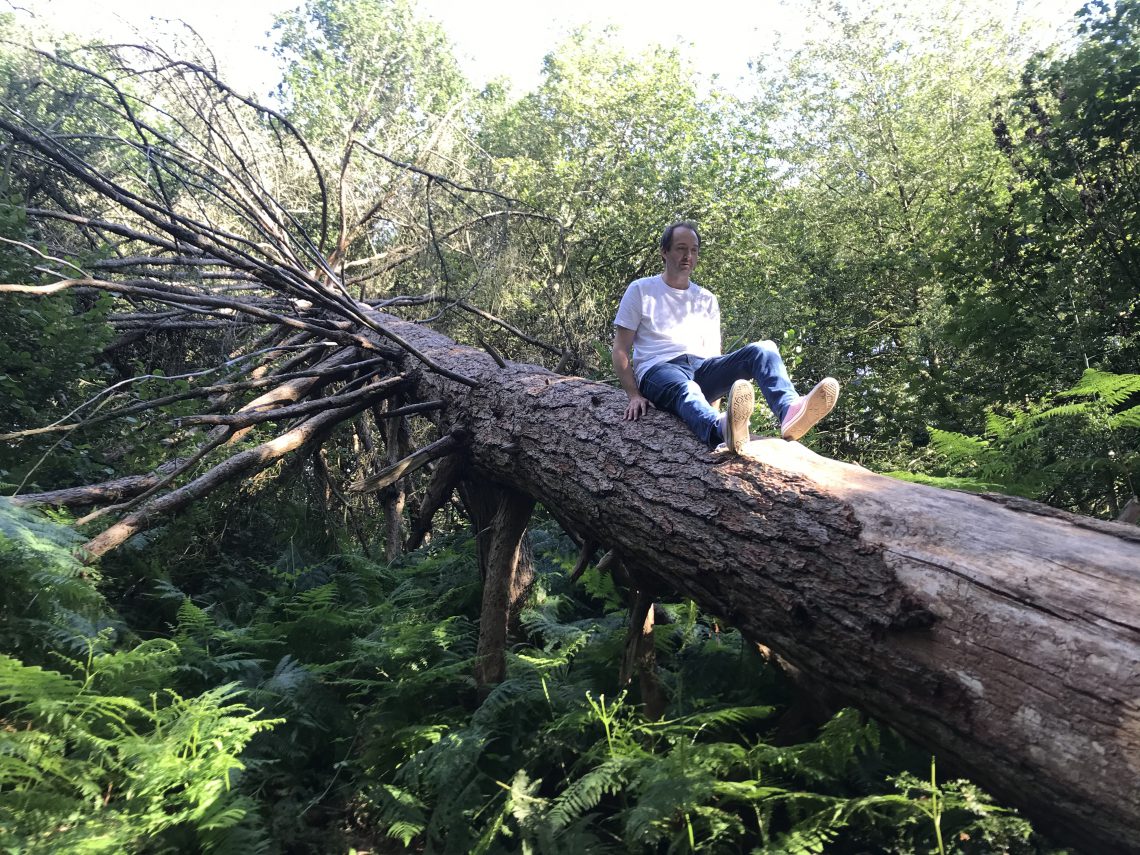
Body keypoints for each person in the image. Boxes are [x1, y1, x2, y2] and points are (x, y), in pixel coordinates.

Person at [612, 221, 839, 454]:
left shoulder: (706, 298)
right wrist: (633, 395)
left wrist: (720, 407)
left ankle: (789, 410)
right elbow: (620, 349)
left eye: (694, 250)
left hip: (701, 367)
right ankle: (718, 429)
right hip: (659, 371)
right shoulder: (641, 290)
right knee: (687, 388)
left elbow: (712, 356)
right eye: (681, 248)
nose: (688, 255)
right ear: (664, 251)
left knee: (764, 349)